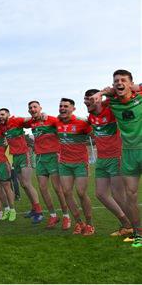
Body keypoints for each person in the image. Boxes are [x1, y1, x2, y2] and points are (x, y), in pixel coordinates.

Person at [90, 69, 141, 247]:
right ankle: (138, 233)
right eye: (116, 81)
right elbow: (95, 109)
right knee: (130, 195)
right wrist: (102, 93)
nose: (119, 83)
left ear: (131, 83)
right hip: (128, 153)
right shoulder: (112, 102)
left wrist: (135, 87)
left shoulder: (139, 96)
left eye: (123, 80)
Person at [84, 89, 132, 237]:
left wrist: (103, 94)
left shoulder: (110, 109)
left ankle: (137, 228)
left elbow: (119, 96)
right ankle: (126, 224)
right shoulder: (91, 116)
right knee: (101, 194)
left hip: (116, 156)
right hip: (101, 160)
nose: (86, 103)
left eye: (89, 99)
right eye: (85, 100)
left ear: (97, 99)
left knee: (119, 195)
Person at [26, 101, 70, 230]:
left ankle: (67, 216)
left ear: (40, 108)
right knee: (43, 189)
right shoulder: (32, 123)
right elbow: (23, 121)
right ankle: (53, 216)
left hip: (53, 156)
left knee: (58, 189)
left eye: (35, 107)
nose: (32, 109)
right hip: (40, 158)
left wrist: (61, 152)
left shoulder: (51, 120)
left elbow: (62, 130)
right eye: (30, 108)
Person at [53, 98, 94, 235]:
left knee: (81, 193)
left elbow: (95, 133)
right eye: (60, 106)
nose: (62, 108)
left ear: (73, 109)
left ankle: (89, 224)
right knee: (66, 192)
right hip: (64, 163)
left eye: (66, 106)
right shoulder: (56, 122)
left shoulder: (82, 123)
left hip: (80, 163)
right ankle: (79, 223)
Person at [0, 108, 43, 223]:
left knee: (27, 183)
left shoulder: (16, 120)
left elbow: (29, 119)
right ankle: (33, 208)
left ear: (8, 114)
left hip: (24, 154)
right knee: (23, 184)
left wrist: (41, 114)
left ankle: (39, 211)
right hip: (14, 157)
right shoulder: (2, 127)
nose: (0, 116)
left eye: (2, 114)